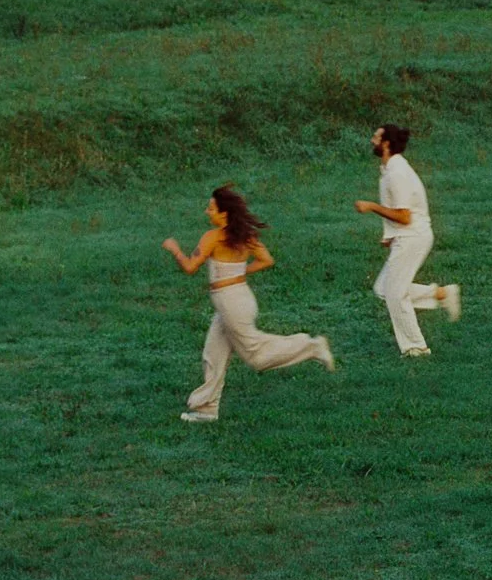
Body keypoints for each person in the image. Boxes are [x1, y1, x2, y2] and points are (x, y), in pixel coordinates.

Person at [164, 185, 335, 422]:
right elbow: (266, 260)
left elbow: (190, 267)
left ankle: (312, 346)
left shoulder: (212, 237)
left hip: (232, 305)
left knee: (256, 357)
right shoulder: (244, 236)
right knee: (214, 352)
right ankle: (206, 409)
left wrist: (175, 250)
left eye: (211, 208)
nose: (207, 212)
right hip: (238, 299)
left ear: (224, 213)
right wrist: (237, 274)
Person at [354, 124, 461, 357]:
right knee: (383, 288)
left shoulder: (397, 173)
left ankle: (416, 347)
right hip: (406, 237)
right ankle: (441, 294)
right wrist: (390, 236)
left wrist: (371, 206)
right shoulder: (389, 169)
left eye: (376, 137)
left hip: (414, 237)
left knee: (395, 293)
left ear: (386, 144)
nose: (372, 140)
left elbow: (404, 216)